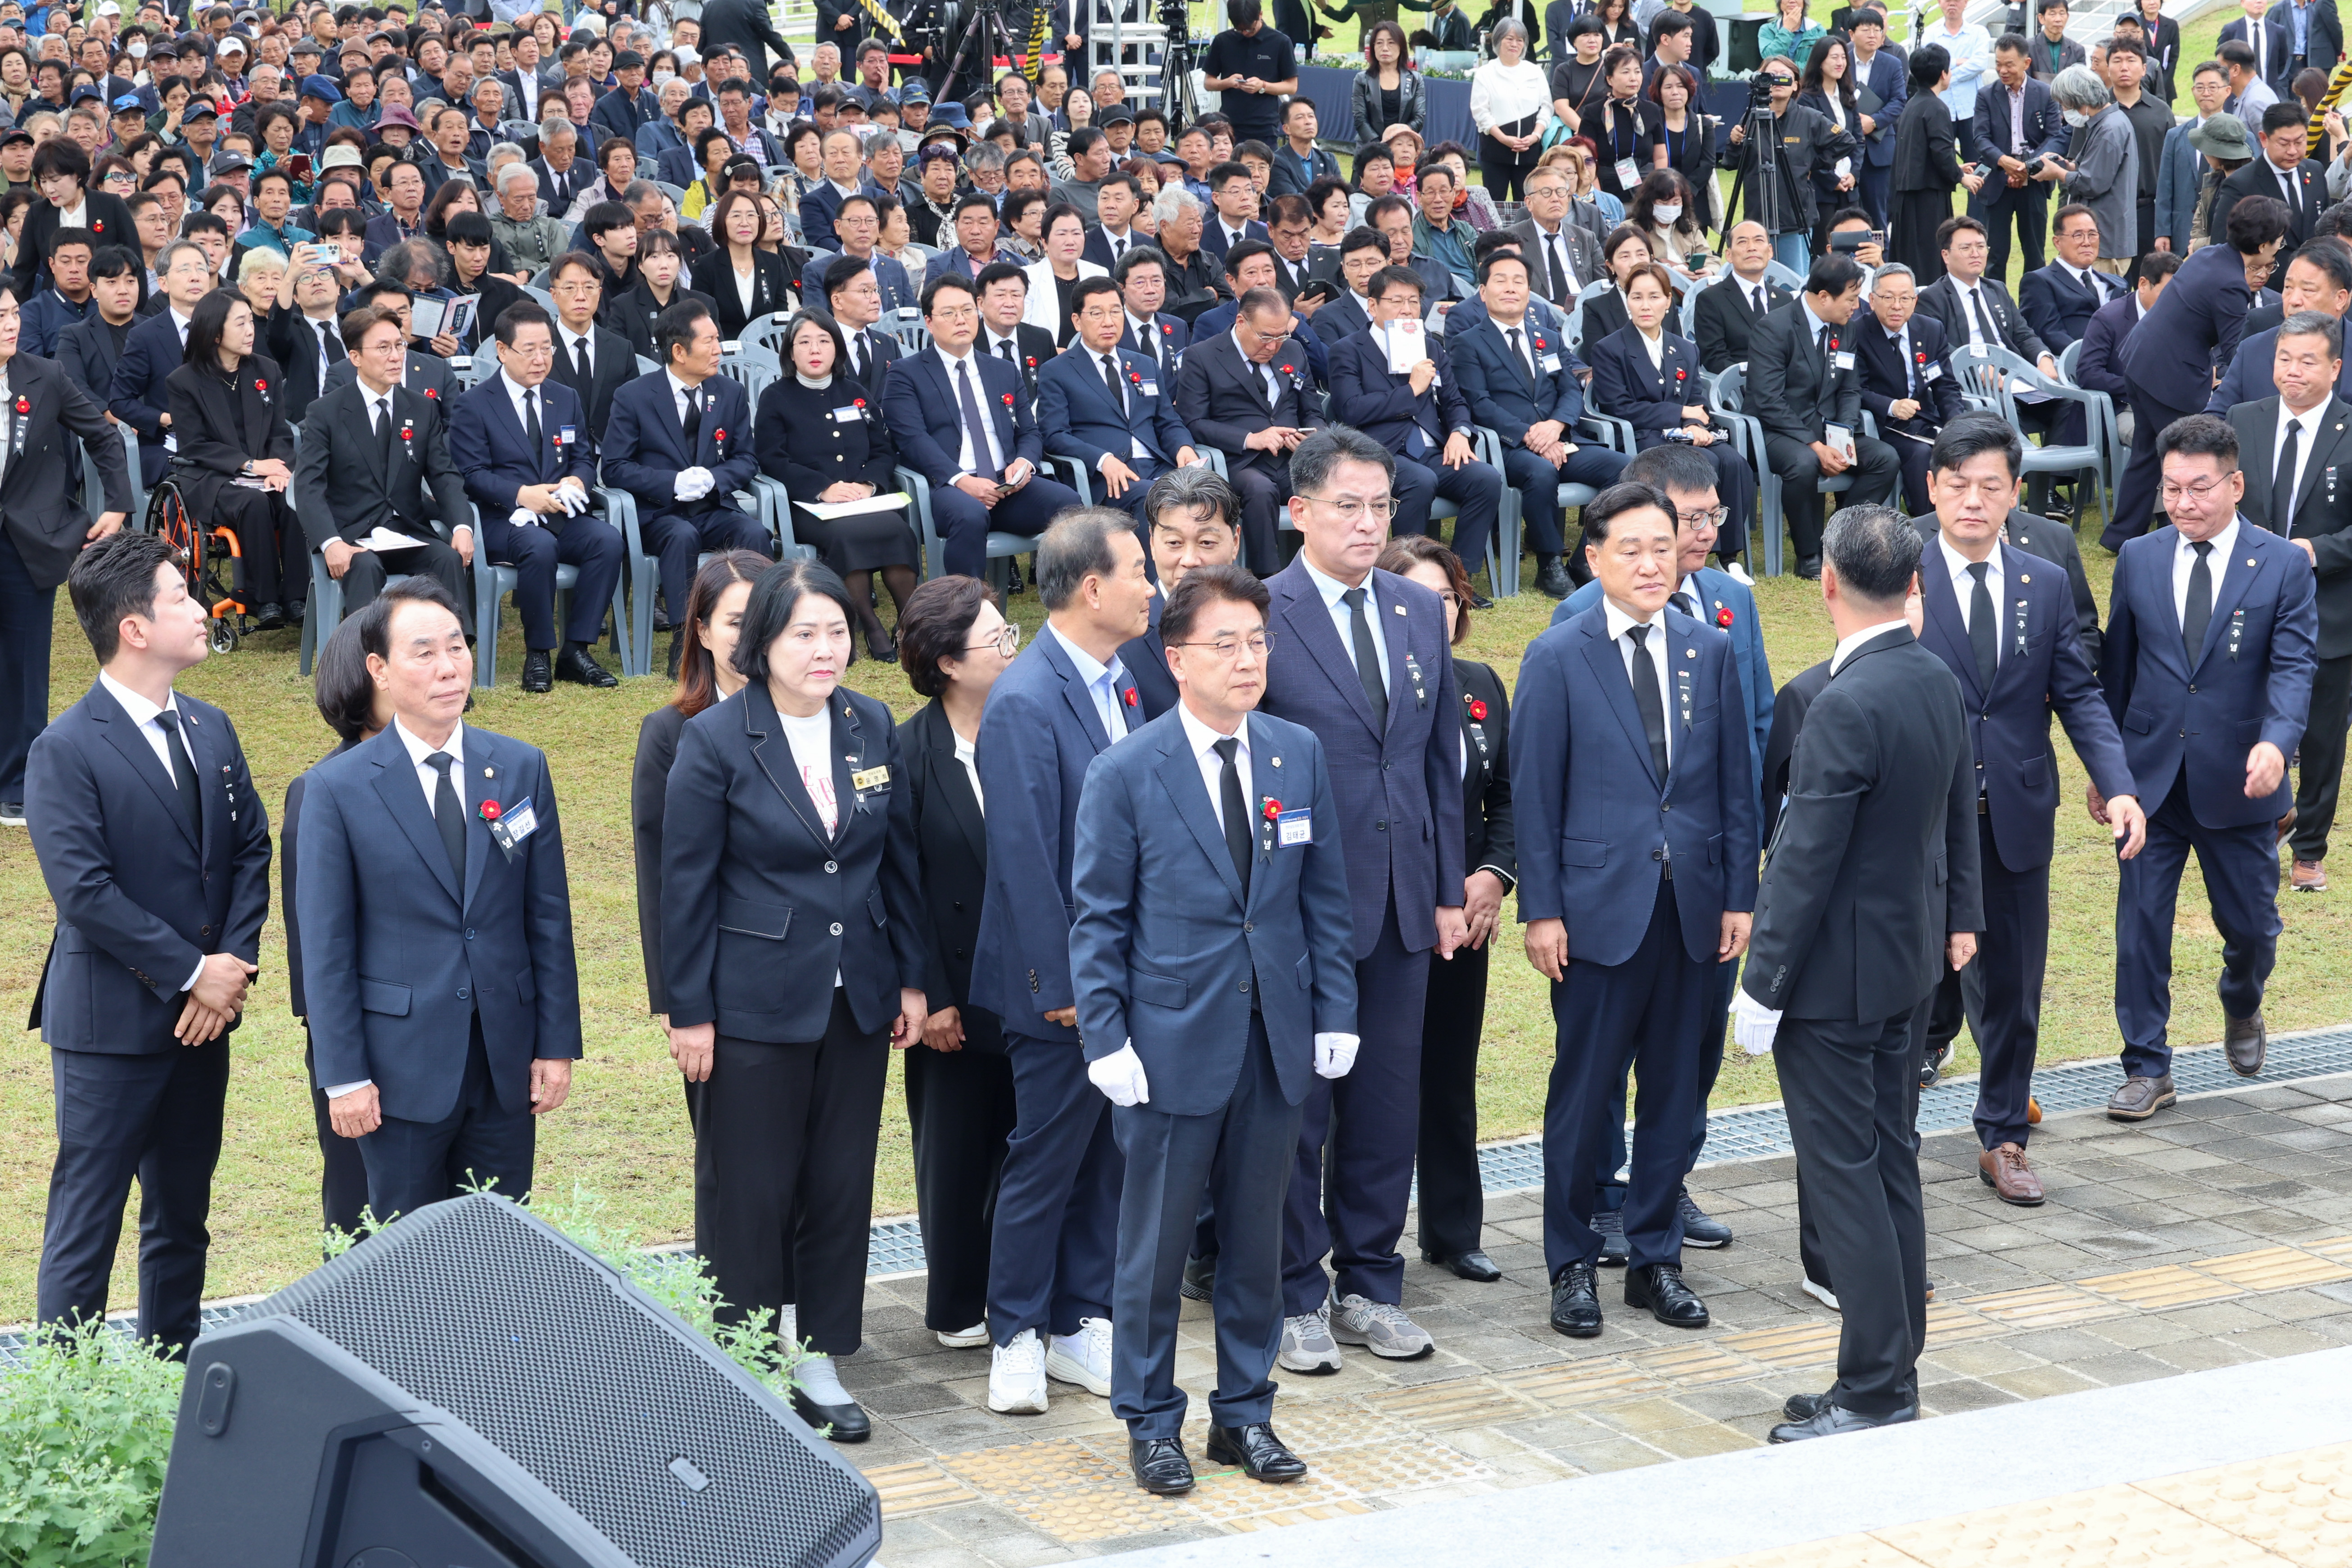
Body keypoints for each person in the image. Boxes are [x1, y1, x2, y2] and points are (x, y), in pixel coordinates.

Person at [1061, 560, 1352, 1499]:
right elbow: (1097, 919)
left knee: (1258, 1240)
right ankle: (1150, 1420)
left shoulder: (1294, 751)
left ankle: (1244, 1412)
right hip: (1168, 1044)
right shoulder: (1126, 770)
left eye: (1256, 641)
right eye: (1223, 643)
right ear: (1176, 658)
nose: (1246, 660)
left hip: (1273, 1037)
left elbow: (1322, 898)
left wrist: (1334, 1011)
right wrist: (1105, 1038)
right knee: (1151, 1249)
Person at [661, 558, 926, 1442]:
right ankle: (742, 1357)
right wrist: (689, 1010)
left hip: (855, 996)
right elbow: (684, 888)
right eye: (804, 632)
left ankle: (816, 1351)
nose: (825, 649)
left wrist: (909, 977)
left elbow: (896, 863)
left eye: (837, 631)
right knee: (748, 1187)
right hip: (751, 999)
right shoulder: (715, 739)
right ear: (762, 641)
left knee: (838, 1180)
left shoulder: (868, 722)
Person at [1734, 504, 1981, 1441]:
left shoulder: (1842, 701)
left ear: (1826, 582)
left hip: (1833, 982)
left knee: (1845, 1177)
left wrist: (1760, 985)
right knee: (1888, 1163)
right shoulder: (1931, 675)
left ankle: (1875, 1387)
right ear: (1912, 584)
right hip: (1901, 966)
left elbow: (1802, 858)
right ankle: (1887, 1366)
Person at [1259, 426, 1466, 1374]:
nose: (1367, 522)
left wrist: (1443, 886)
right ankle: (1293, 1290)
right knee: (1296, 1107)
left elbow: (1433, 763)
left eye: (1380, 505)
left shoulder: (1414, 608)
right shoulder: (1261, 611)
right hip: (1299, 906)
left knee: (1385, 1102)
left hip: (1400, 897)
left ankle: (1371, 1282)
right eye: (1347, 505)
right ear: (1298, 511)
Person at [27, 528, 264, 1354]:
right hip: (110, 1027)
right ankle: (69, 1398)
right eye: (182, 597)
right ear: (134, 628)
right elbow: (85, 893)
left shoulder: (211, 725)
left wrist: (230, 972)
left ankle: (173, 1379)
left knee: (182, 1217)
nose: (202, 610)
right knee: (86, 1222)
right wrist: (193, 971)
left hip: (204, 1021)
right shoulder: (64, 748)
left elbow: (251, 849)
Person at [1906, 416, 2142, 1203]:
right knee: (1908, 978)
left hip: (2013, 812)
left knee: (2012, 985)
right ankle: (1887, 1129)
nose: (1972, 500)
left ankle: (2004, 1134)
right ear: (1932, 487)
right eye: (1957, 484)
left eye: (1990, 486)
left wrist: (2116, 783)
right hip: (1918, 817)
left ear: (2015, 493)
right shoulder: (1899, 570)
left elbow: (2077, 692)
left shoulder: (2041, 580)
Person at [297, 574, 582, 1219]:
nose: (449, 666)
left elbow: (547, 915)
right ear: (380, 669)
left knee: (501, 1243)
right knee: (408, 1252)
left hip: (505, 1061)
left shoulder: (520, 766)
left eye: (457, 646)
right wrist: (345, 1076)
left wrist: (555, 1042)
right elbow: (327, 946)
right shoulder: (337, 789)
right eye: (423, 652)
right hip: (399, 1068)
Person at [971, 510, 1155, 1415]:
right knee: (1045, 1156)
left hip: (1131, 970)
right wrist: (1072, 985)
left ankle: (1082, 1318)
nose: (1151, 587)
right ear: (1091, 587)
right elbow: (1024, 860)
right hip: (1063, 986)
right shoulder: (1025, 699)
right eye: (1138, 570)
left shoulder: (1124, 680)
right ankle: (1014, 1332)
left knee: (1109, 1156)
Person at [2099, 412, 2316, 1120]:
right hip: (2151, 781)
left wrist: (2277, 742)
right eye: (2171, 488)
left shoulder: (2281, 563)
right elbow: (2118, 668)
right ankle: (2147, 1065)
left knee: (2251, 926)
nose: (2183, 503)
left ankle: (2242, 999)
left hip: (2241, 777)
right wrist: (2110, 771)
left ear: (2236, 484)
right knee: (2140, 927)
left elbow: (2294, 666)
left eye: (2199, 487)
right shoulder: (2139, 557)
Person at [1363, 536, 1512, 1284]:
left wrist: (1493, 874)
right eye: (1419, 598)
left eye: (1448, 597)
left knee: (1450, 1074)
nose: (1436, 610)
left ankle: (1453, 1230)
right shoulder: (1362, 689)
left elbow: (1505, 796)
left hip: (1464, 914)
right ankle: (1361, 1238)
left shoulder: (1479, 681)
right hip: (1385, 909)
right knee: (1367, 1083)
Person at [895, 574, 1022, 1352]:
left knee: (1028, 1145)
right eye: (997, 638)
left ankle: (1022, 1290)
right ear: (947, 661)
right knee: (954, 1149)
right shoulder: (907, 751)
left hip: (1031, 982)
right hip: (952, 991)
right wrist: (932, 994)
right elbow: (900, 884)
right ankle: (956, 1301)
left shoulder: (1029, 728)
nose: (1012, 647)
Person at [631, 549, 767, 1252]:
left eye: (765, 616)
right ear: (703, 630)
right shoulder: (672, 732)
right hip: (719, 986)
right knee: (733, 1168)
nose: (751, 636)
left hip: (818, 982)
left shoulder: (832, 721)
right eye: (735, 621)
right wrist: (678, 1001)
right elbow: (661, 874)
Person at [443, 300, 627, 691]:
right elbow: (471, 475)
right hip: (502, 519)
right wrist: (521, 494)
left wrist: (578, 481)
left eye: (547, 348)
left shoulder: (564, 397)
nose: (541, 359)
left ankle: (576, 650)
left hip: (559, 512)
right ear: (502, 350)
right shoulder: (474, 405)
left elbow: (583, 458)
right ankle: (539, 653)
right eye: (529, 350)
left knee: (608, 540)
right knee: (539, 547)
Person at [2229, 316, 2352, 891]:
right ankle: (2263, 818)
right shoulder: (2242, 420)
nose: (2293, 371)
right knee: (2245, 716)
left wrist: (2314, 551)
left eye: (2307, 361)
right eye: (2284, 359)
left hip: (2330, 604)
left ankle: (2309, 848)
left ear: (2335, 368)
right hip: (2249, 598)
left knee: (2322, 733)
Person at [0, 280, 129, 827]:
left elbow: (102, 436)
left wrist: (118, 504)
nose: (11, 323)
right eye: (0, 316)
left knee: (24, 666)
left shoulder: (44, 376)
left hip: (26, 540)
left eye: (12, 312)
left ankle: (17, 784)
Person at [880, 272, 1087, 579]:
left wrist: (1024, 462)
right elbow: (912, 439)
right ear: (929, 322)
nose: (961, 320)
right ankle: (969, 605)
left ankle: (1068, 595)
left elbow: (1029, 431)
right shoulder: (905, 373)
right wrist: (963, 481)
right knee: (970, 515)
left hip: (1007, 484)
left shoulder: (1003, 370)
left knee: (1068, 503)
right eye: (949, 313)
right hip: (949, 487)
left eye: (967, 310)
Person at [2109, 197, 2291, 546]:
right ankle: (2187, 528)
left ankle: (2121, 536)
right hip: (2169, 377)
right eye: (2279, 242)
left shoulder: (2208, 255)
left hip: (2140, 360)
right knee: (2193, 456)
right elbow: (2238, 350)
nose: (2279, 248)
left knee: (2146, 453)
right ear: (2263, 246)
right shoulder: (2232, 283)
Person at [1451, 248, 1629, 596]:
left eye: (1519, 281)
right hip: (1509, 446)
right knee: (1541, 472)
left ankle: (1585, 557)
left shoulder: (1547, 337)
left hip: (1560, 438)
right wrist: (1530, 436)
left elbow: (1570, 389)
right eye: (1501, 281)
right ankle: (1549, 564)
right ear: (1483, 292)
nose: (1511, 288)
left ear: (1529, 291)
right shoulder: (1467, 343)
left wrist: (1557, 426)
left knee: (1625, 469)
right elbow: (1479, 403)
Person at [284, 614, 381, 1240]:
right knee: (361, 1220)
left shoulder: (481, 767)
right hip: (363, 1039)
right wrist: (343, 1065)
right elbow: (312, 947)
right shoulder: (322, 789)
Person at [292, 302, 474, 635]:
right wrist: (331, 542)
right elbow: (308, 487)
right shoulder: (326, 412)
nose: (396, 356)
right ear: (356, 357)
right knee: (364, 566)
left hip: (407, 530)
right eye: (383, 348)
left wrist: (462, 526)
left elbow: (444, 476)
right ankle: (368, 657)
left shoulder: (421, 408)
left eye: (399, 345)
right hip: (352, 535)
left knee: (446, 559)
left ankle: (453, 650)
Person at [1327, 266, 1506, 581]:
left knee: (1486, 478)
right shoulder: (1348, 350)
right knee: (1420, 481)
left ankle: (1458, 577)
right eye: (1397, 301)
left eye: (1413, 301)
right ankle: (1406, 578)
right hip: (1379, 453)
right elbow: (1351, 410)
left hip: (1432, 450)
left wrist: (1460, 432)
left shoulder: (1430, 347)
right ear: (1373, 306)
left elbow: (1455, 401)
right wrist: (1411, 390)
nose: (1407, 310)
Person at [756, 308, 917, 660]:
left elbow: (883, 448)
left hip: (862, 499)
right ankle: (869, 625)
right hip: (809, 505)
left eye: (824, 341)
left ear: (837, 349)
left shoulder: (855, 393)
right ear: (790, 352)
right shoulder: (776, 397)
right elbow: (772, 459)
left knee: (897, 529)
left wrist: (869, 484)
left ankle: (910, 623)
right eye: (804, 342)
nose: (815, 350)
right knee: (846, 536)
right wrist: (823, 489)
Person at [1585, 259, 1759, 555]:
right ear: (1627, 301)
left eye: (1654, 297)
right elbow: (1618, 407)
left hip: (1684, 434)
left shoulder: (1685, 348)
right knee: (1706, 462)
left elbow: (1695, 399)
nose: (1645, 306)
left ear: (1668, 302)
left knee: (1734, 462)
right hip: (1643, 435)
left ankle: (1728, 553)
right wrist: (1680, 414)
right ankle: (1688, 547)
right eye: (1637, 297)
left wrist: (1694, 424)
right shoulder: (1609, 349)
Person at [1745, 253, 1904, 578]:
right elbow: (1768, 399)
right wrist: (1816, 445)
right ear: (1824, 297)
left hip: (1827, 427)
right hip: (1777, 430)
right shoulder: (1774, 328)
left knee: (1885, 458)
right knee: (1804, 463)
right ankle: (1808, 555)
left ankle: (1838, 539)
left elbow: (1850, 389)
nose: (1857, 306)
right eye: (1851, 299)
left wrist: (1841, 438)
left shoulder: (1845, 329)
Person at [167, 287, 304, 628]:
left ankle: (298, 597)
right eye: (240, 323)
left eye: (251, 322)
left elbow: (280, 432)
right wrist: (251, 465)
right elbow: (194, 445)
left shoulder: (266, 370)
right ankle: (264, 599)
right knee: (253, 504)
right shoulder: (184, 381)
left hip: (265, 470)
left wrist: (278, 468)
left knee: (292, 499)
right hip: (212, 475)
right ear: (216, 333)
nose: (250, 330)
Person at [1172, 285, 1320, 573]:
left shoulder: (1293, 350)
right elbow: (1193, 421)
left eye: (1281, 336)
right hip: (1241, 461)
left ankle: (1321, 570)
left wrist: (1310, 439)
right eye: (1265, 337)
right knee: (1260, 490)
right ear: (1241, 322)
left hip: (1293, 458)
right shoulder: (1202, 356)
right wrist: (1250, 439)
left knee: (1325, 486)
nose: (1273, 346)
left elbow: (1313, 410)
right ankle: (1266, 579)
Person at [1036, 275, 1201, 524]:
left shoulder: (1144, 364)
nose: (1109, 322)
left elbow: (1168, 421)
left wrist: (1183, 447)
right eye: (1097, 314)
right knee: (1157, 499)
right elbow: (1054, 435)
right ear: (1077, 321)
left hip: (1158, 467)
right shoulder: (1057, 370)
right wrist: (1102, 460)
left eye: (1116, 312)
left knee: (1209, 493)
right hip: (1107, 477)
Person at [1855, 263, 1970, 513]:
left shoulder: (1931, 329)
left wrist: (1956, 426)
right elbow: (1856, 389)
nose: (1897, 306)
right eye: (1888, 298)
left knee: (1967, 444)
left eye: (1905, 298)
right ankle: (1928, 523)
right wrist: (1892, 406)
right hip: (1882, 425)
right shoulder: (1858, 332)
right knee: (1921, 453)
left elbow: (1945, 385)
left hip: (1924, 420)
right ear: (1872, 300)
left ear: (1915, 301)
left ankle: (1967, 516)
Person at [1725, 55, 1853, 276]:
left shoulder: (1809, 118)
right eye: (1771, 76)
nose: (1777, 81)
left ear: (1795, 85)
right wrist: (1735, 142)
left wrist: (1811, 162)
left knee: (1794, 279)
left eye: (1784, 76)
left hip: (1794, 217)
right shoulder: (1751, 118)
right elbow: (1732, 163)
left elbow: (1846, 141)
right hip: (1758, 217)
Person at [1970, 34, 2070, 284]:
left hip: (2034, 182)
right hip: (1997, 183)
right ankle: (1995, 303)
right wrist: (2004, 162)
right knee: (1995, 255)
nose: (2003, 71)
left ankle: (2035, 303)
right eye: (1998, 64)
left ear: (2026, 63)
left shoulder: (2045, 93)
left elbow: (2055, 137)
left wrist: (2027, 167)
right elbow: (1981, 138)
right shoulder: (1986, 95)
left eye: (2009, 65)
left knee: (2035, 254)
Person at [2213, 104, 2327, 282]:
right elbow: (2222, 245)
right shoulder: (2241, 184)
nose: (2292, 151)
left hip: (2314, 282)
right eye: (2284, 144)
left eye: (2299, 142)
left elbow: (2325, 229)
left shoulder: (2315, 171)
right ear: (2264, 139)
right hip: (2267, 285)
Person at [2048, 66, 2139, 273]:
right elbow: (2095, 169)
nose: (2064, 110)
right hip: (2102, 236)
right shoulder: (2106, 123)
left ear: (2079, 100)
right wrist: (2068, 166)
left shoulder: (2110, 129)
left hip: (2104, 243)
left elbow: (2092, 183)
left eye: (2065, 104)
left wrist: (2058, 173)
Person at [1889, 46, 1964, 280]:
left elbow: (1922, 153)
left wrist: (1958, 169)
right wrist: (1961, 177)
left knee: (1910, 260)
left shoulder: (1912, 104)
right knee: (1929, 262)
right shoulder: (1936, 107)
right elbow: (1941, 153)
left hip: (1907, 197)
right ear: (1944, 74)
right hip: (1927, 199)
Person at [2019, 203, 2128, 352]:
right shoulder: (2039, 282)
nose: (2087, 243)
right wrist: (2094, 356)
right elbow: (2049, 334)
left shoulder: (2117, 283)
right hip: (2076, 361)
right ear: (2057, 242)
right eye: (2078, 235)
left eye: (2092, 235)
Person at [1692, 220, 1795, 374]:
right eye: (1742, 242)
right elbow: (1714, 357)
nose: (1752, 247)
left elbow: (1795, 350)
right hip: (1741, 384)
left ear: (1770, 251)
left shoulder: (1784, 299)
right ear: (1729, 255)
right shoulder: (1711, 300)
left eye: (1759, 240)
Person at [1201, 0, 1298, 154]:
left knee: (1262, 167)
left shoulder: (1280, 42)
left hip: (1264, 127)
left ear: (1260, 15)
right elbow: (1208, 83)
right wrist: (1228, 83)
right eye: (1240, 30)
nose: (1245, 33)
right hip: (1229, 126)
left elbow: (1292, 86)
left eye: (1249, 29)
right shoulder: (1223, 41)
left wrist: (1263, 86)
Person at [1470, 20, 1552, 204]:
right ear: (1498, 40)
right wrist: (1503, 139)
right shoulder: (1486, 73)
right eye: (1509, 39)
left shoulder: (1535, 71)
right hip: (1495, 152)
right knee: (1493, 203)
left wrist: (1535, 136)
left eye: (1520, 40)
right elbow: (1481, 112)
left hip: (1529, 153)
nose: (1515, 44)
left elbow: (1547, 107)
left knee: (1528, 204)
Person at [1507, 161, 1604, 308]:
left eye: (1561, 192)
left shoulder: (1586, 238)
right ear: (1529, 203)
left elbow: (1602, 286)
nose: (1555, 199)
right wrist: (1548, 309)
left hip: (1585, 311)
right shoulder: (1511, 240)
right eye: (1546, 193)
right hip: (1537, 313)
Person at [1353, 21, 1426, 145]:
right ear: (1373, 47)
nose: (1385, 48)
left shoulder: (1416, 79)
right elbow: (1360, 119)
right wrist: (1379, 145)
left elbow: (1419, 118)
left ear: (1401, 47)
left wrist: (1397, 141)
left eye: (1391, 43)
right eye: (1379, 43)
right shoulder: (1362, 79)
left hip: (1403, 145)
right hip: (1370, 147)